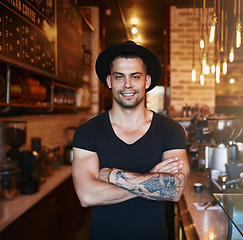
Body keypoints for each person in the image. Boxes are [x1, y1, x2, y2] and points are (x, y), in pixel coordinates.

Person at [71, 40, 189, 240]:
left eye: (135, 76)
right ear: (109, 82)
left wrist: (111, 175)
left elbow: (174, 189)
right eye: (119, 77)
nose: (127, 85)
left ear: (147, 81)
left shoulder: (170, 130)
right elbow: (87, 195)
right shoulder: (88, 132)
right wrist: (152, 179)